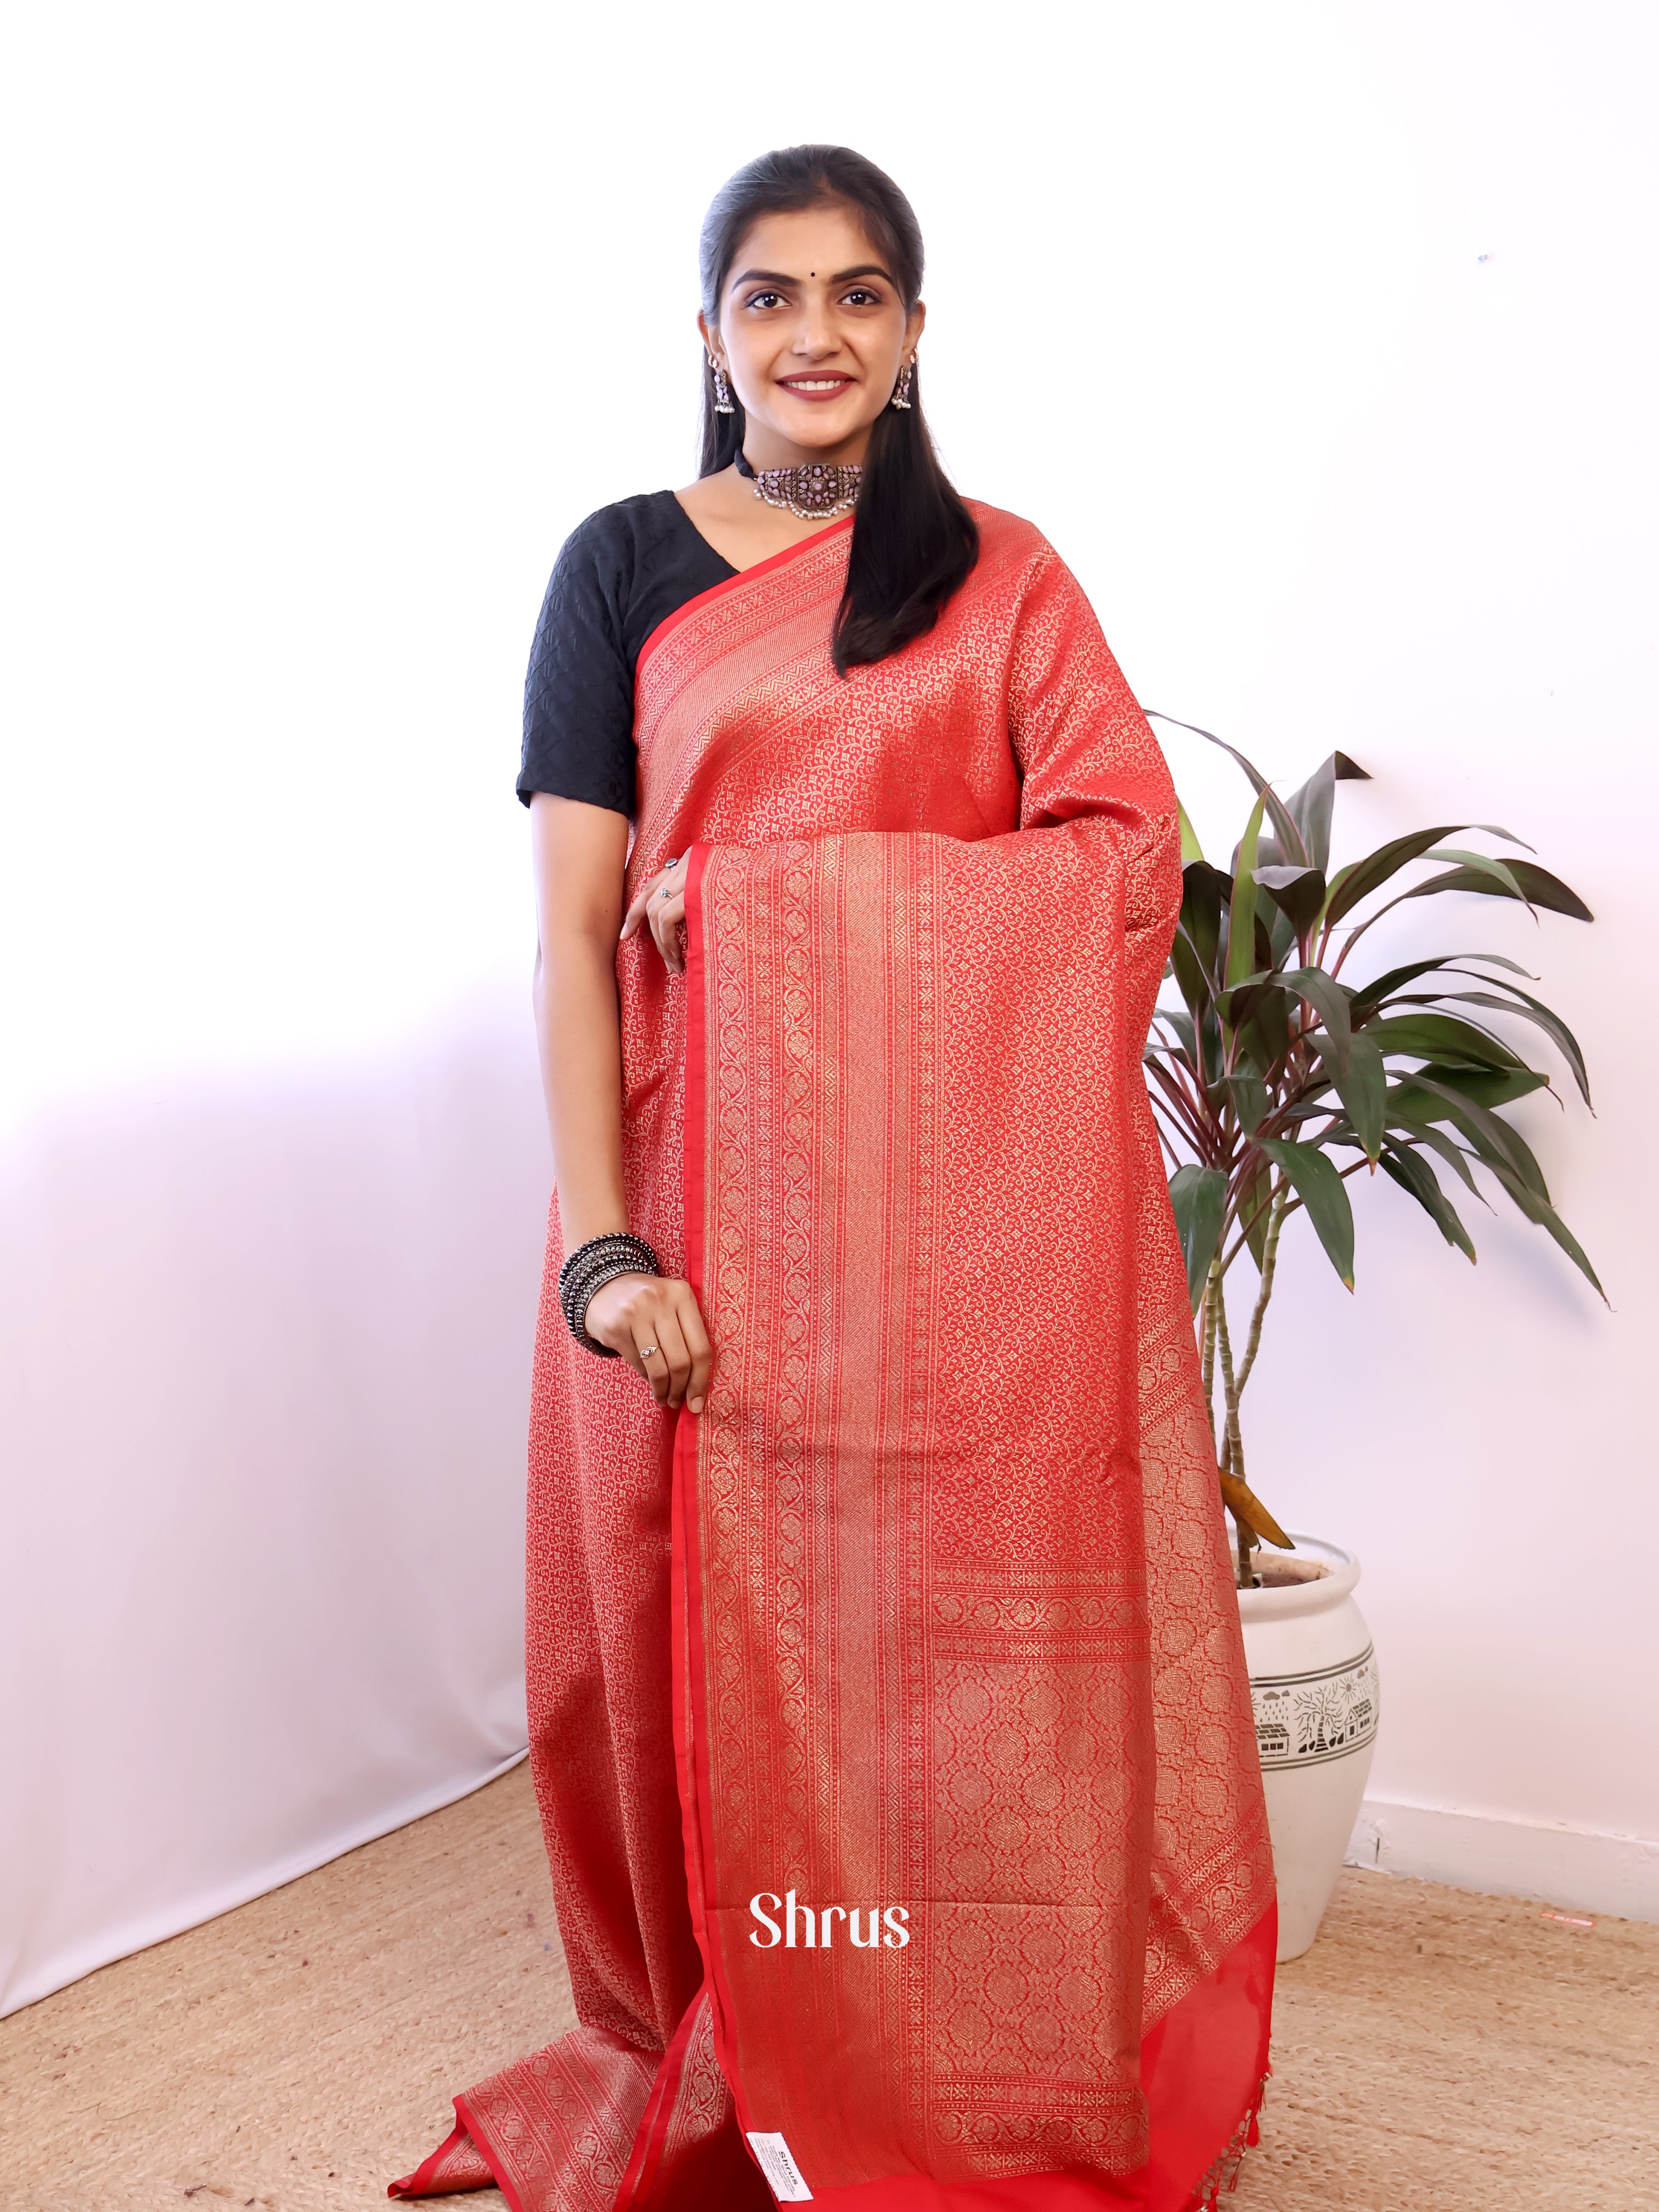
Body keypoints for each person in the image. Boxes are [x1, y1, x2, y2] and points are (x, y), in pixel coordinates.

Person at [393, 144, 1274, 2212]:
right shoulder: (619, 565)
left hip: (942, 1236)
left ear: (914, 332)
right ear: (707, 337)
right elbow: (577, 933)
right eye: (770, 298)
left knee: (951, 1644)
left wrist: (786, 906)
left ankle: (945, 2052)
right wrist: (602, 1244)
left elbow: (1121, 863)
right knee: (664, 1639)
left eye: (859, 296)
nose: (814, 336)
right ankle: (733, 2029)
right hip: (689, 1201)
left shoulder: (1003, 576)